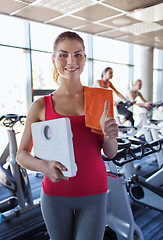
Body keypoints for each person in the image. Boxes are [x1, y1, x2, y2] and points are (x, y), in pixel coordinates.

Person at [16, 31, 118, 240]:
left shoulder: (100, 100)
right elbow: (21, 154)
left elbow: (111, 152)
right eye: (63, 55)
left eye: (77, 54)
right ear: (54, 59)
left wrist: (110, 136)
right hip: (55, 195)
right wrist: (43, 167)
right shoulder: (40, 106)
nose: (71, 61)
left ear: (85, 59)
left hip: (94, 191)